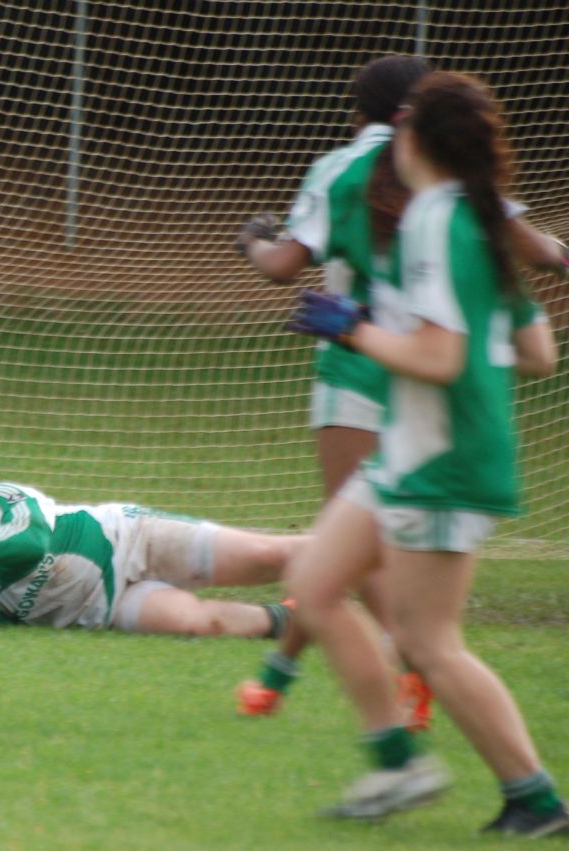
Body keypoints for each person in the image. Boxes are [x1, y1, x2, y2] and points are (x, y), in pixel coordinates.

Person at [233, 55, 564, 722]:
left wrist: (253, 240)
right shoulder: (464, 188)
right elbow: (542, 257)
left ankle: (409, 677)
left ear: (363, 113)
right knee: (336, 553)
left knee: (349, 550)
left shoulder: (349, 172)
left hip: (363, 367)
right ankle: (280, 675)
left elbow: (282, 266)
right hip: (442, 394)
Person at [0, 437, 306, 638]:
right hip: (104, 605)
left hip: (129, 538)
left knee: (266, 556)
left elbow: (32, 541)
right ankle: (301, 620)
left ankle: (363, 550)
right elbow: (4, 614)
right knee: (199, 622)